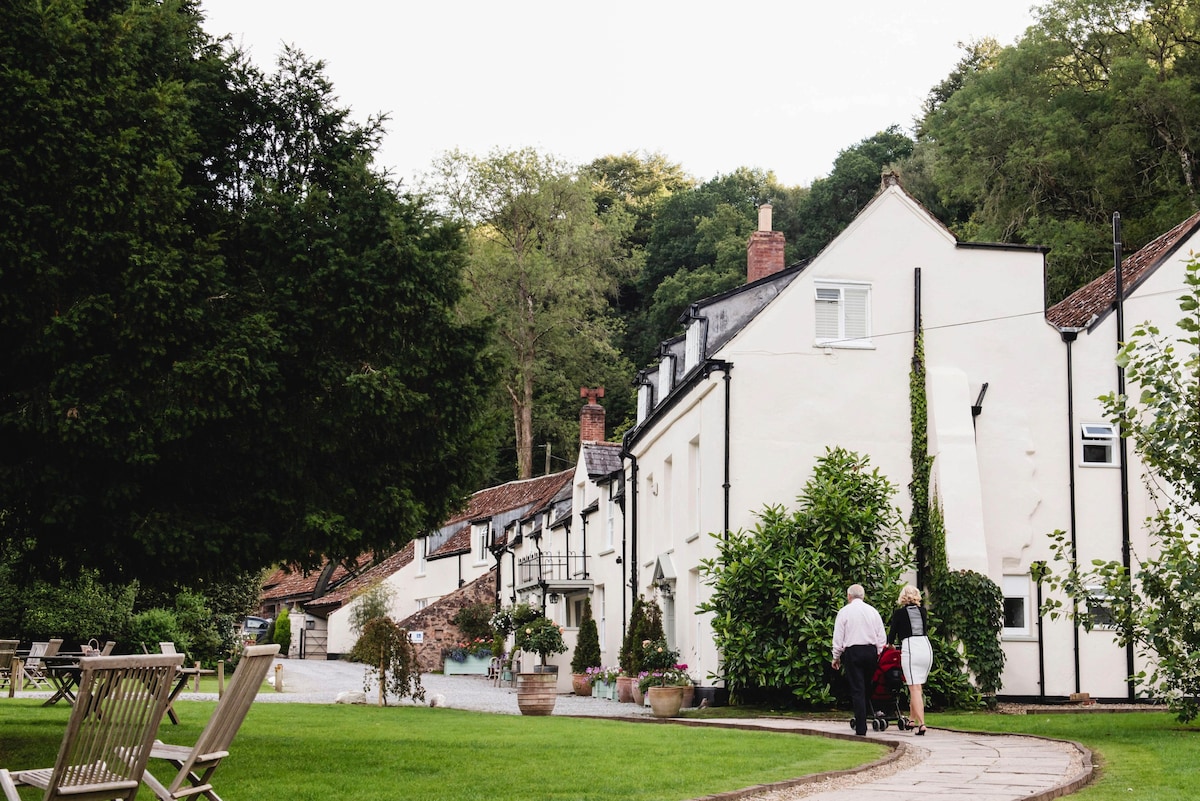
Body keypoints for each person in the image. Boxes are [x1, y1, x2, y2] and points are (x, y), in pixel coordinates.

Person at [831, 583, 887, 736]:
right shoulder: (873, 611)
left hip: (853, 651)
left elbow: (838, 637)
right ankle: (871, 714)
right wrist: (879, 653)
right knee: (868, 686)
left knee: (857, 689)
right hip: (870, 651)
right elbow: (881, 636)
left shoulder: (844, 612)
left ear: (849, 596)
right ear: (863, 596)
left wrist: (836, 656)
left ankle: (861, 727)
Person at [889, 584, 933, 735]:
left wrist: (889, 645)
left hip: (911, 648)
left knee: (914, 688)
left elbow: (892, 634)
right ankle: (912, 720)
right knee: (917, 686)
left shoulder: (899, 613)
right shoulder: (922, 611)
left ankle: (922, 724)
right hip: (926, 647)